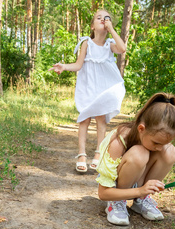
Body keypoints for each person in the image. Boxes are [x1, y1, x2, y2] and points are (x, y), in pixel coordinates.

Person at [49, 9, 126, 173]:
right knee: (84, 119)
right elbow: (78, 65)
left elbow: (123, 48)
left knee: (101, 120)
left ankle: (99, 153)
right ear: (92, 25)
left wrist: (112, 29)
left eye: (107, 18)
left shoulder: (109, 44)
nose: (103, 20)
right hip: (88, 86)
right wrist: (64, 66)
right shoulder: (86, 43)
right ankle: (82, 155)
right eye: (99, 18)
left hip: (103, 88)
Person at [95, 92, 175, 226]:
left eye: (163, 143)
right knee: (139, 153)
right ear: (141, 128)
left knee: (170, 151)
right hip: (115, 189)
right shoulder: (119, 141)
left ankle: (141, 200)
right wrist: (140, 190)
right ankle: (117, 202)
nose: (159, 148)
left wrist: (145, 191)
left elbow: (162, 148)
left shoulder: (158, 144)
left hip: (137, 184)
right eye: (156, 143)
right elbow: (103, 193)